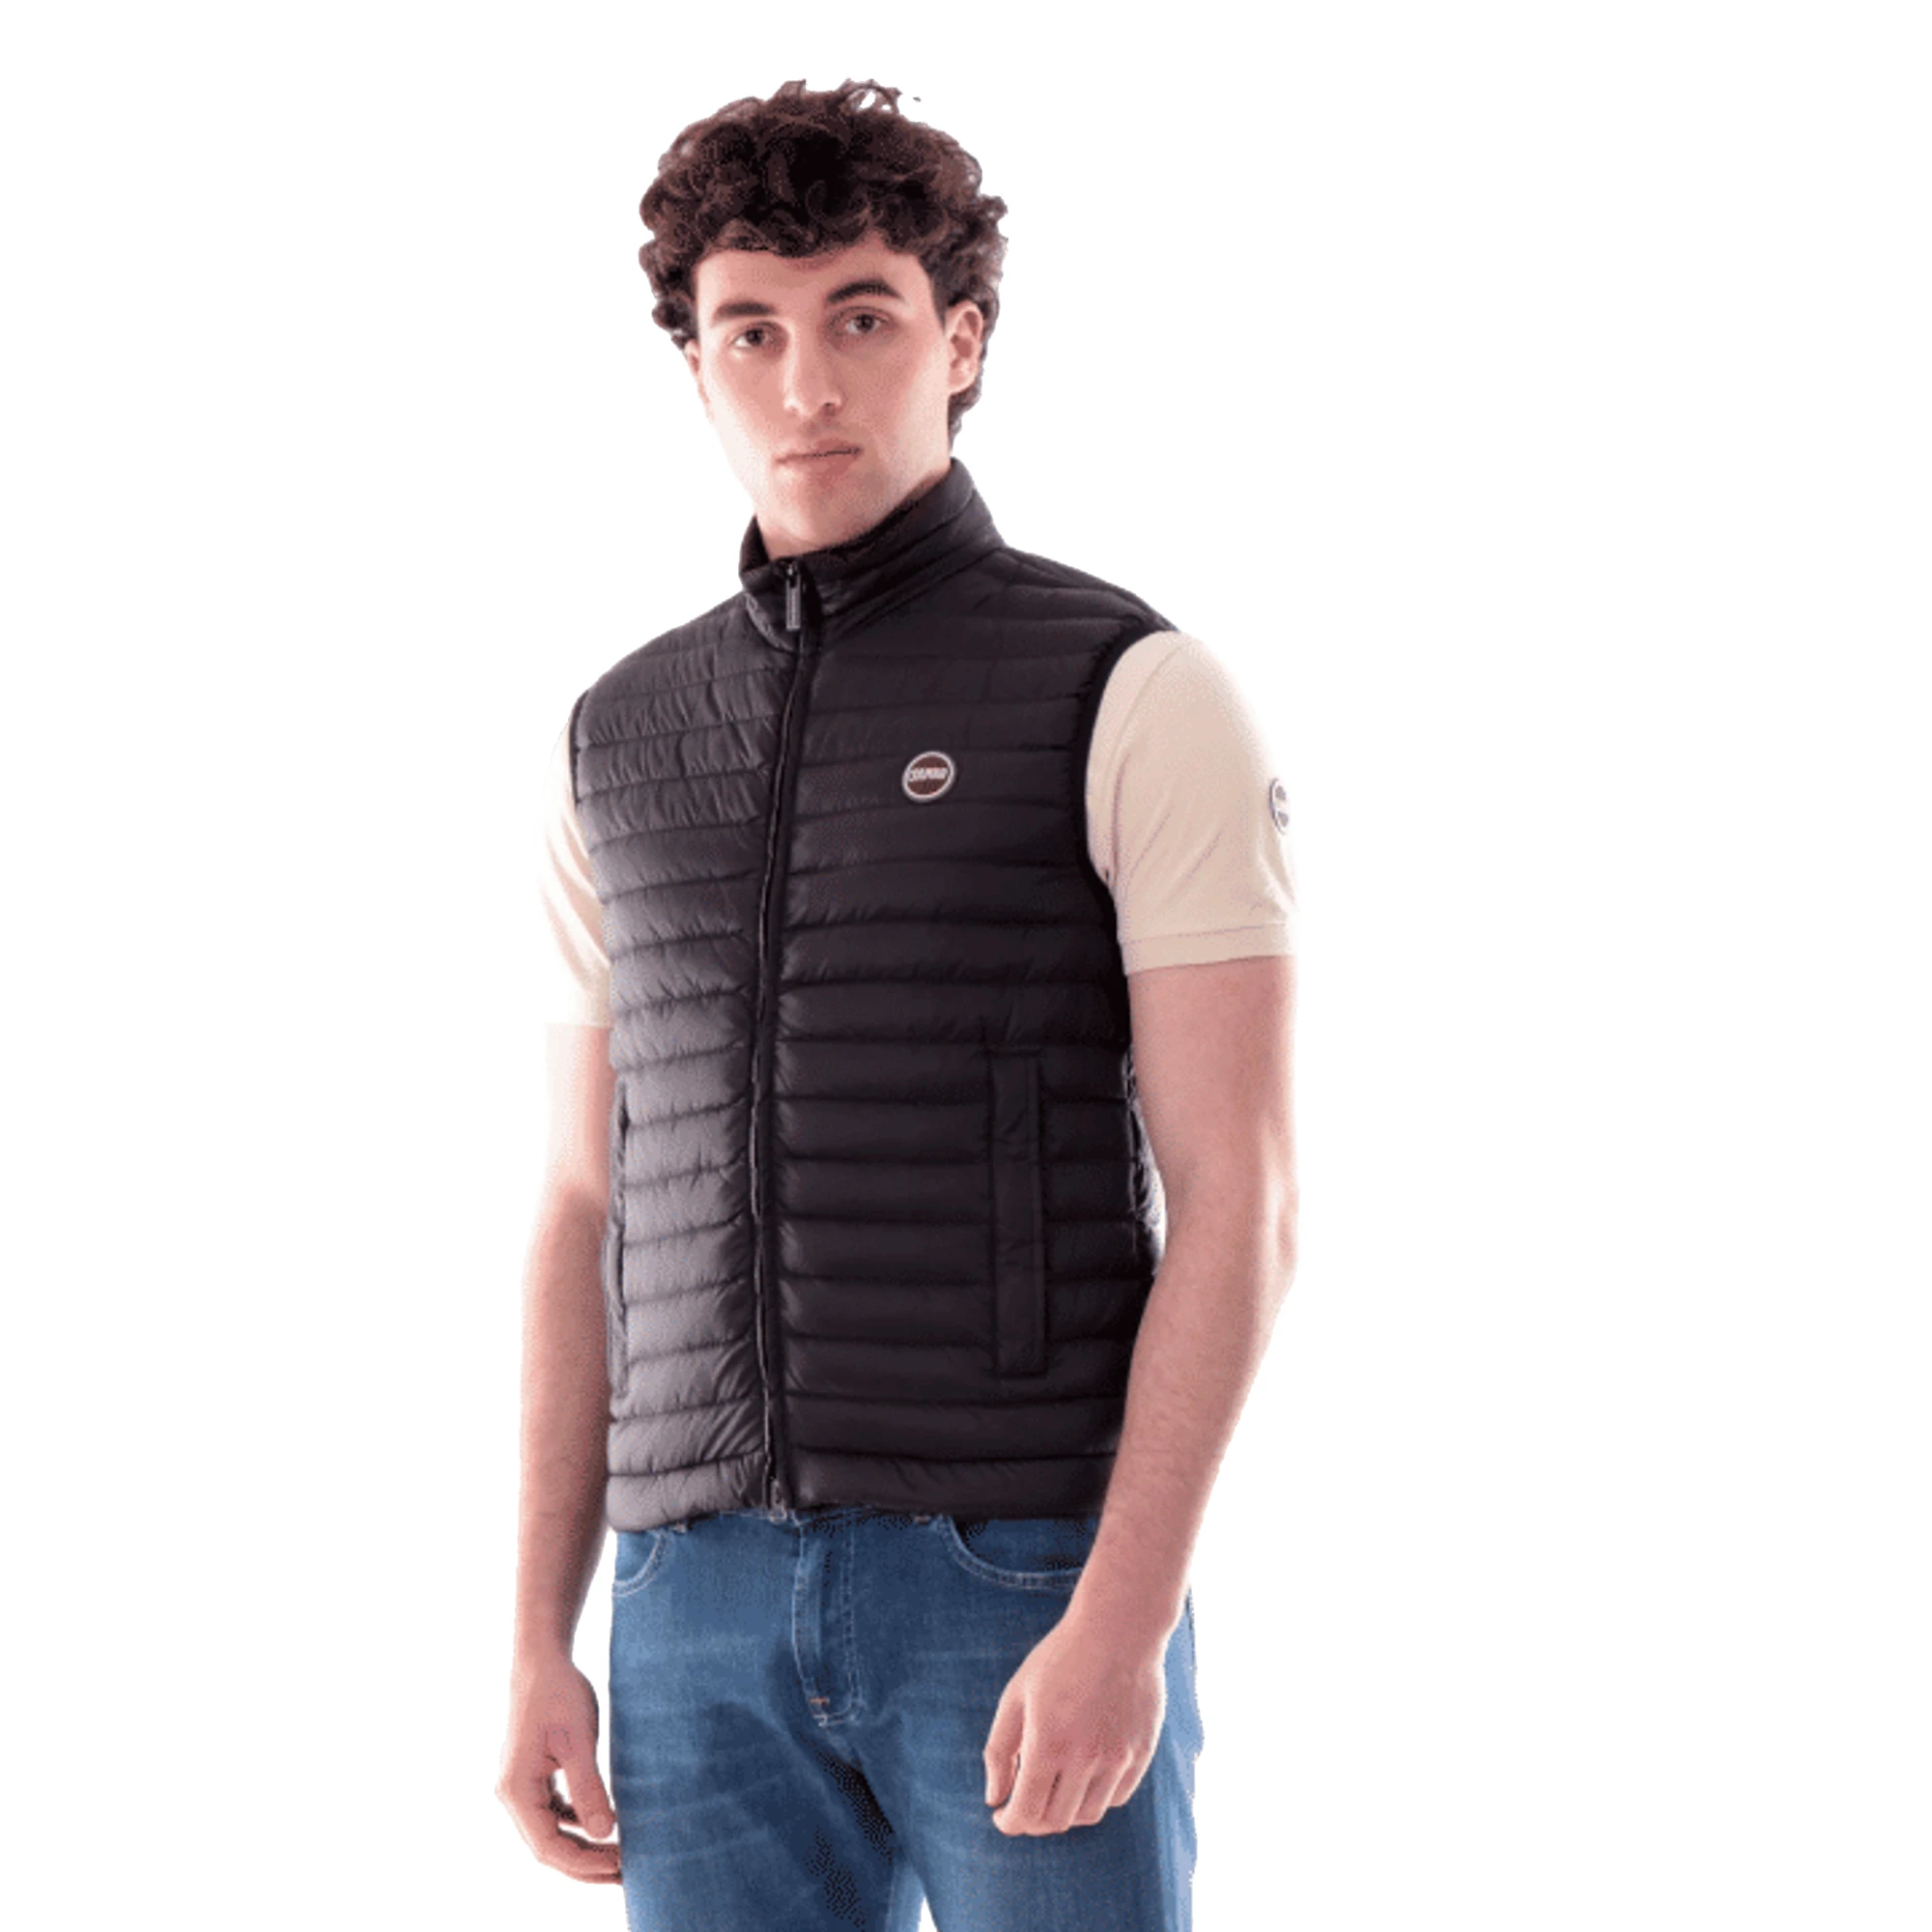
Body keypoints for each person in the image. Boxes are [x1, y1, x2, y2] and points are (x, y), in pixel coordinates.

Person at [497, 77, 1299, 1931]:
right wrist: (542, 1632)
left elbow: (1242, 1196)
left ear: (964, 340)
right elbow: (578, 1205)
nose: (807, 386)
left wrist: (1124, 1614)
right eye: (751, 332)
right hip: (688, 1602)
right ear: (695, 366)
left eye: (861, 318)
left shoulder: (1131, 687)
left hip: (1015, 1573)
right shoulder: (613, 740)